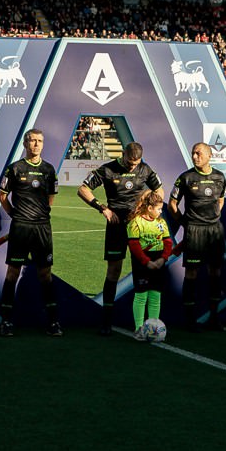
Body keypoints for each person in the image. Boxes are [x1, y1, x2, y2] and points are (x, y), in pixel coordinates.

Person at [82, 140, 162, 332]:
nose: (132, 166)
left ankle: (141, 323)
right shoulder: (108, 169)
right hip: (116, 227)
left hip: (138, 227)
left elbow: (159, 190)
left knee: (141, 270)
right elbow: (83, 189)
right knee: (113, 272)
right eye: (129, 161)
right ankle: (107, 322)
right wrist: (103, 209)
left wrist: (149, 207)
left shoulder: (145, 169)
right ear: (123, 154)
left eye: (136, 163)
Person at [0, 129, 62, 336]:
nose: (36, 144)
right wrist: (16, 215)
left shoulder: (49, 170)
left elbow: (51, 198)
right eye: (32, 140)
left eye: (40, 141)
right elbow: (3, 197)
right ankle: (5, 322)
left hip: (42, 227)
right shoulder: (14, 169)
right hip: (21, 228)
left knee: (45, 274)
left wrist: (39, 215)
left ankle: (53, 322)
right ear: (26, 144)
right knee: (13, 272)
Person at [169, 141, 226, 334]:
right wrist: (185, 223)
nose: (195, 157)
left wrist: (213, 218)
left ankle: (214, 319)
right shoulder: (185, 177)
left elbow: (220, 200)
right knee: (192, 274)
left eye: (198, 153)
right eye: (193, 153)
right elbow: (173, 204)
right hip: (194, 231)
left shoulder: (219, 177)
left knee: (215, 273)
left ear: (209, 155)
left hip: (214, 231)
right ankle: (190, 321)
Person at [126, 190, 173, 338]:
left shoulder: (161, 222)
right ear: (150, 208)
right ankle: (139, 328)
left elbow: (168, 242)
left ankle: (153, 328)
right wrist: (147, 262)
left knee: (155, 296)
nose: (161, 211)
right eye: (159, 209)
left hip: (158, 262)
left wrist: (162, 259)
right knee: (141, 296)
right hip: (142, 264)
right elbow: (134, 245)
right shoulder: (136, 222)